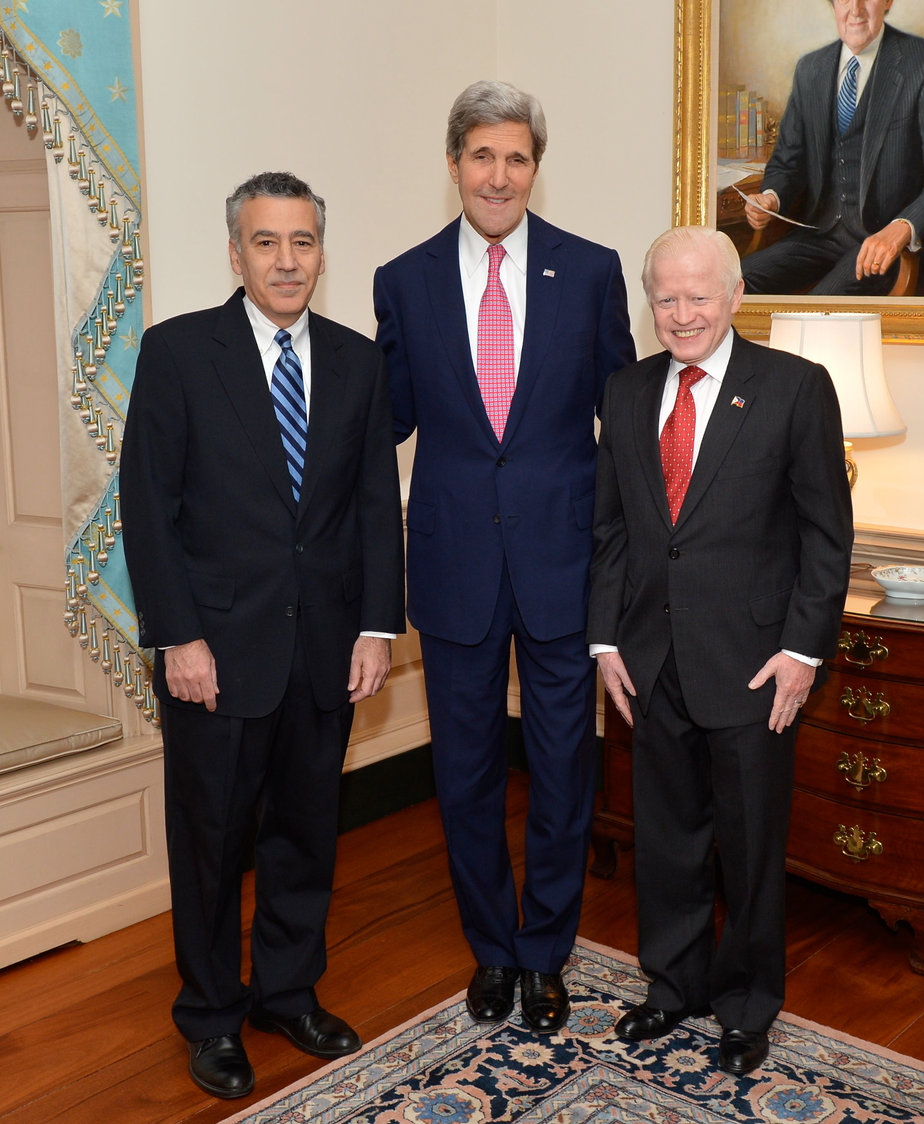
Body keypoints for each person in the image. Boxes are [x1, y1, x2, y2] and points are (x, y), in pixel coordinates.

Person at [120, 171, 405, 1099]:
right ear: (235, 252)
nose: (288, 261)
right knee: (210, 841)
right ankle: (209, 1016)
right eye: (267, 242)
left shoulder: (359, 362)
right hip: (215, 654)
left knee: (304, 835)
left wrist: (375, 625)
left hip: (325, 650)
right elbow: (147, 511)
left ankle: (287, 991)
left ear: (323, 250)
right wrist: (179, 638)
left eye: (304, 242)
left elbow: (372, 505)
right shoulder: (176, 353)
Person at [373, 80, 635, 1035]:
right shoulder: (400, 280)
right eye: (481, 156)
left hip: (564, 567)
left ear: (535, 169)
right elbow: (385, 422)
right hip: (452, 570)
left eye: (516, 157)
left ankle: (546, 955)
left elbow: (627, 424)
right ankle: (492, 948)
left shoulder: (592, 270)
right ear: (453, 166)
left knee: (567, 771)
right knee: (468, 772)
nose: (499, 174)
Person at [588, 225, 853, 1075]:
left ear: (738, 295)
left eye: (699, 295)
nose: (681, 312)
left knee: (749, 849)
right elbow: (613, 532)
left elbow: (825, 536)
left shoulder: (794, 388)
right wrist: (604, 641)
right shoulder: (626, 392)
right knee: (664, 842)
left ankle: (745, 1005)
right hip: (649, 662)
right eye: (665, 297)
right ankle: (672, 989)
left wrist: (803, 654)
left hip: (753, 666)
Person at [742, 0, 924, 296]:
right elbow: (787, 161)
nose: (855, 9)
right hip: (817, 236)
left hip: (886, 246)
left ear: (887, 1)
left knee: (817, 314)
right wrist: (771, 198)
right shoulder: (810, 69)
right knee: (731, 285)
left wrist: (901, 229)